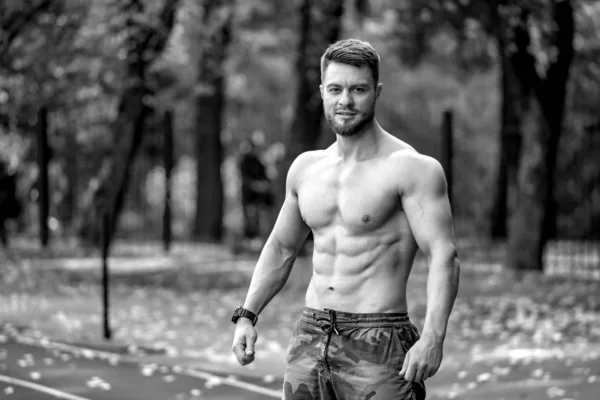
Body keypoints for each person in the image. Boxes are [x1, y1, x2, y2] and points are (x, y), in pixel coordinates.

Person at [231, 39, 460, 399]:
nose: (346, 101)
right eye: (335, 89)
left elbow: (443, 256)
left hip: (378, 340)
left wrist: (433, 337)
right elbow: (281, 247)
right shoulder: (306, 169)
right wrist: (247, 315)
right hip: (310, 335)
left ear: (377, 92)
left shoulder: (412, 169)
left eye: (358, 90)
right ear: (322, 91)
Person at [239, 131, 274, 245]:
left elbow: (267, 177)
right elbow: (245, 179)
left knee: (261, 218)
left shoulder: (261, 162)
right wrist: (256, 185)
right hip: (249, 196)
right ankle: (248, 240)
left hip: (260, 198)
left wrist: (264, 185)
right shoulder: (245, 161)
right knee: (250, 218)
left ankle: (259, 240)